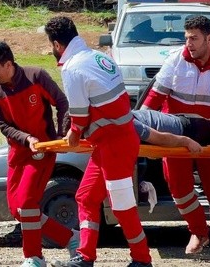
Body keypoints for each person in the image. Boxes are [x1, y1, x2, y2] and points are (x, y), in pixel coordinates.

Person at [44, 17, 152, 267]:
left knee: (122, 205)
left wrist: (72, 136)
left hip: (114, 146)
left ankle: (142, 259)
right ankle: (85, 256)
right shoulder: (98, 57)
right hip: (112, 143)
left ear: (58, 45)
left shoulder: (72, 68)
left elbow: (79, 114)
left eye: (51, 45)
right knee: (86, 197)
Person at [141, 15, 210, 259]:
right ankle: (198, 231)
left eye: (194, 38)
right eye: (186, 38)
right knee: (179, 187)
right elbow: (153, 101)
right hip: (175, 137)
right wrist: (145, 132)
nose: (189, 44)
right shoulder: (175, 60)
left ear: (209, 39)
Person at [0, 40, 79, 267]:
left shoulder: (36, 76)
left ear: (8, 64)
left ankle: (34, 257)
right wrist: (26, 139)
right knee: (18, 210)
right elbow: (4, 127)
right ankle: (71, 238)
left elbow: (62, 102)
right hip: (18, 153)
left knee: (26, 204)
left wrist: (63, 135)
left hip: (42, 151)